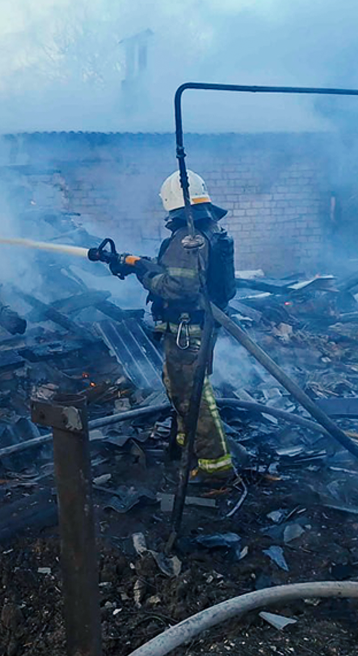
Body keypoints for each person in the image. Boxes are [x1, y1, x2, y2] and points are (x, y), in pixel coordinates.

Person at [131, 170, 237, 481]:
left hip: (186, 330)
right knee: (179, 388)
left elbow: (178, 287)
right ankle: (184, 446)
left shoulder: (188, 239)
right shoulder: (208, 232)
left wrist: (145, 275)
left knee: (193, 396)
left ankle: (215, 468)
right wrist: (142, 264)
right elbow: (184, 273)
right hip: (197, 326)